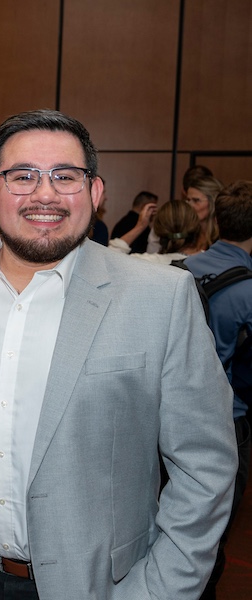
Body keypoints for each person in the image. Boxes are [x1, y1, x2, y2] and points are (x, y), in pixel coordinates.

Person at [0, 109, 237, 600]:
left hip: (96, 586)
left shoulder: (161, 298)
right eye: (22, 176)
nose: (44, 193)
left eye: (65, 176)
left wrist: (160, 590)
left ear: (94, 192)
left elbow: (207, 466)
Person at [183, 180, 252, 600]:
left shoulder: (177, 270)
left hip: (171, 418)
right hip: (229, 420)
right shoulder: (249, 289)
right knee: (215, 526)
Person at [108, 199, 205, 263]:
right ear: (195, 227)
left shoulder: (150, 262)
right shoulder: (208, 260)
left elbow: (110, 257)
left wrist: (140, 226)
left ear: (158, 231)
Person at [185, 174, 223, 250]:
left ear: (213, 202)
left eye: (196, 200)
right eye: (188, 200)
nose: (190, 205)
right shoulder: (186, 233)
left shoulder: (223, 239)